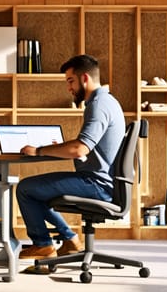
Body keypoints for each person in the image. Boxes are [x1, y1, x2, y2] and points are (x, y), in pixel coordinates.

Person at [16, 54, 126, 259]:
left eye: (70, 81)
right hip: (102, 180)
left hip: (96, 183)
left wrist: (39, 150)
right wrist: (60, 148)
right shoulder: (107, 101)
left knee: (25, 189)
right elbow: (88, 149)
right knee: (37, 191)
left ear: (85, 78)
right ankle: (70, 239)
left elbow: (80, 149)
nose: (69, 88)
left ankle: (43, 245)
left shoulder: (99, 105)